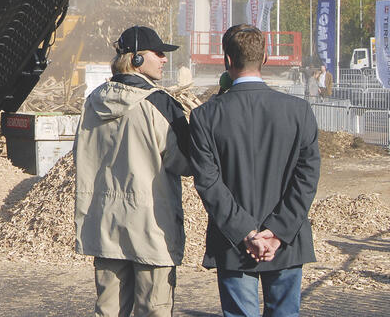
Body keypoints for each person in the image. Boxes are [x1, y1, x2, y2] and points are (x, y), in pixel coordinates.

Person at [189, 24, 320, 317]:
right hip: (286, 242)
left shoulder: (204, 116)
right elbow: (307, 177)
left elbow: (208, 182)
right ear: (266, 58)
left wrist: (246, 232)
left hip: (233, 242)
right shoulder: (299, 111)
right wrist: (276, 231)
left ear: (226, 59)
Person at [74, 25, 191, 317]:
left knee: (109, 312)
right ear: (137, 59)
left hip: (104, 228)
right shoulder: (160, 103)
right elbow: (185, 163)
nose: (165, 59)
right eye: (159, 53)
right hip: (152, 230)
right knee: (154, 310)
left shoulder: (92, 102)